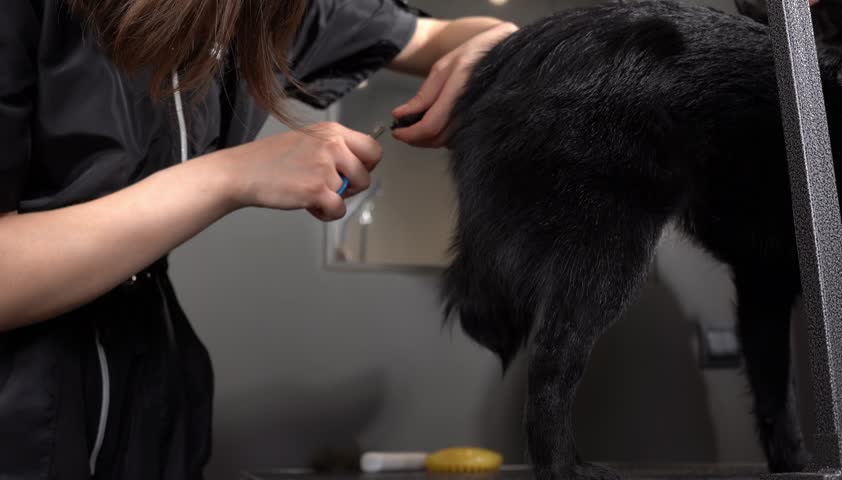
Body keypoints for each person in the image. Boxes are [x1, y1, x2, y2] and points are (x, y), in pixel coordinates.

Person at [0, 0, 517, 477]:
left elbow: (436, 38)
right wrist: (229, 177)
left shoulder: (264, 9)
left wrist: (494, 47)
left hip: (153, 381)